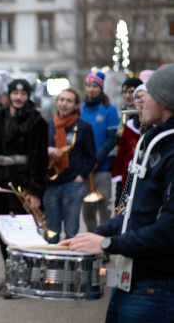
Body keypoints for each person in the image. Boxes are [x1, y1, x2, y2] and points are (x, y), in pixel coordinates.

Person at [59, 64, 174, 323]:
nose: (138, 100)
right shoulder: (157, 142)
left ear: (166, 100)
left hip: (157, 285)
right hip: (131, 277)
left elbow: (168, 230)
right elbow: (136, 213)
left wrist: (106, 244)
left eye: (148, 95)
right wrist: (96, 234)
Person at [0, 79, 49, 298]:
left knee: (21, 234)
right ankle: (11, 276)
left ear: (28, 96)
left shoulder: (37, 121)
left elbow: (40, 158)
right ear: (8, 95)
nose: (18, 97)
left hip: (23, 185)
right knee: (3, 233)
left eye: (23, 94)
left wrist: (35, 191)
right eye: (15, 93)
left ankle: (22, 280)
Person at [44, 88, 96, 243]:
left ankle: (69, 266)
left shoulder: (84, 127)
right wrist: (46, 149)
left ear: (75, 105)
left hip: (72, 185)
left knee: (71, 231)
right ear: (57, 102)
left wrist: (80, 177)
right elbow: (35, 151)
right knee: (50, 231)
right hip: (50, 185)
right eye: (61, 99)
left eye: (69, 101)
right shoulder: (47, 125)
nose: (64, 104)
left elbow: (92, 157)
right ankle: (51, 264)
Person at [80, 71, 120, 232]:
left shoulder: (109, 110)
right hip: (84, 168)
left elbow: (112, 139)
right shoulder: (80, 109)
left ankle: (103, 242)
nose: (91, 89)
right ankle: (90, 243)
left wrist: (96, 160)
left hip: (101, 167)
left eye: (95, 86)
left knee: (104, 208)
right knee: (87, 209)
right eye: (88, 86)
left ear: (101, 88)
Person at [112, 84, 147, 206]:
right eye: (137, 97)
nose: (139, 100)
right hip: (128, 176)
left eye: (143, 97)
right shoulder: (130, 125)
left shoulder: (156, 126)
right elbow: (121, 154)